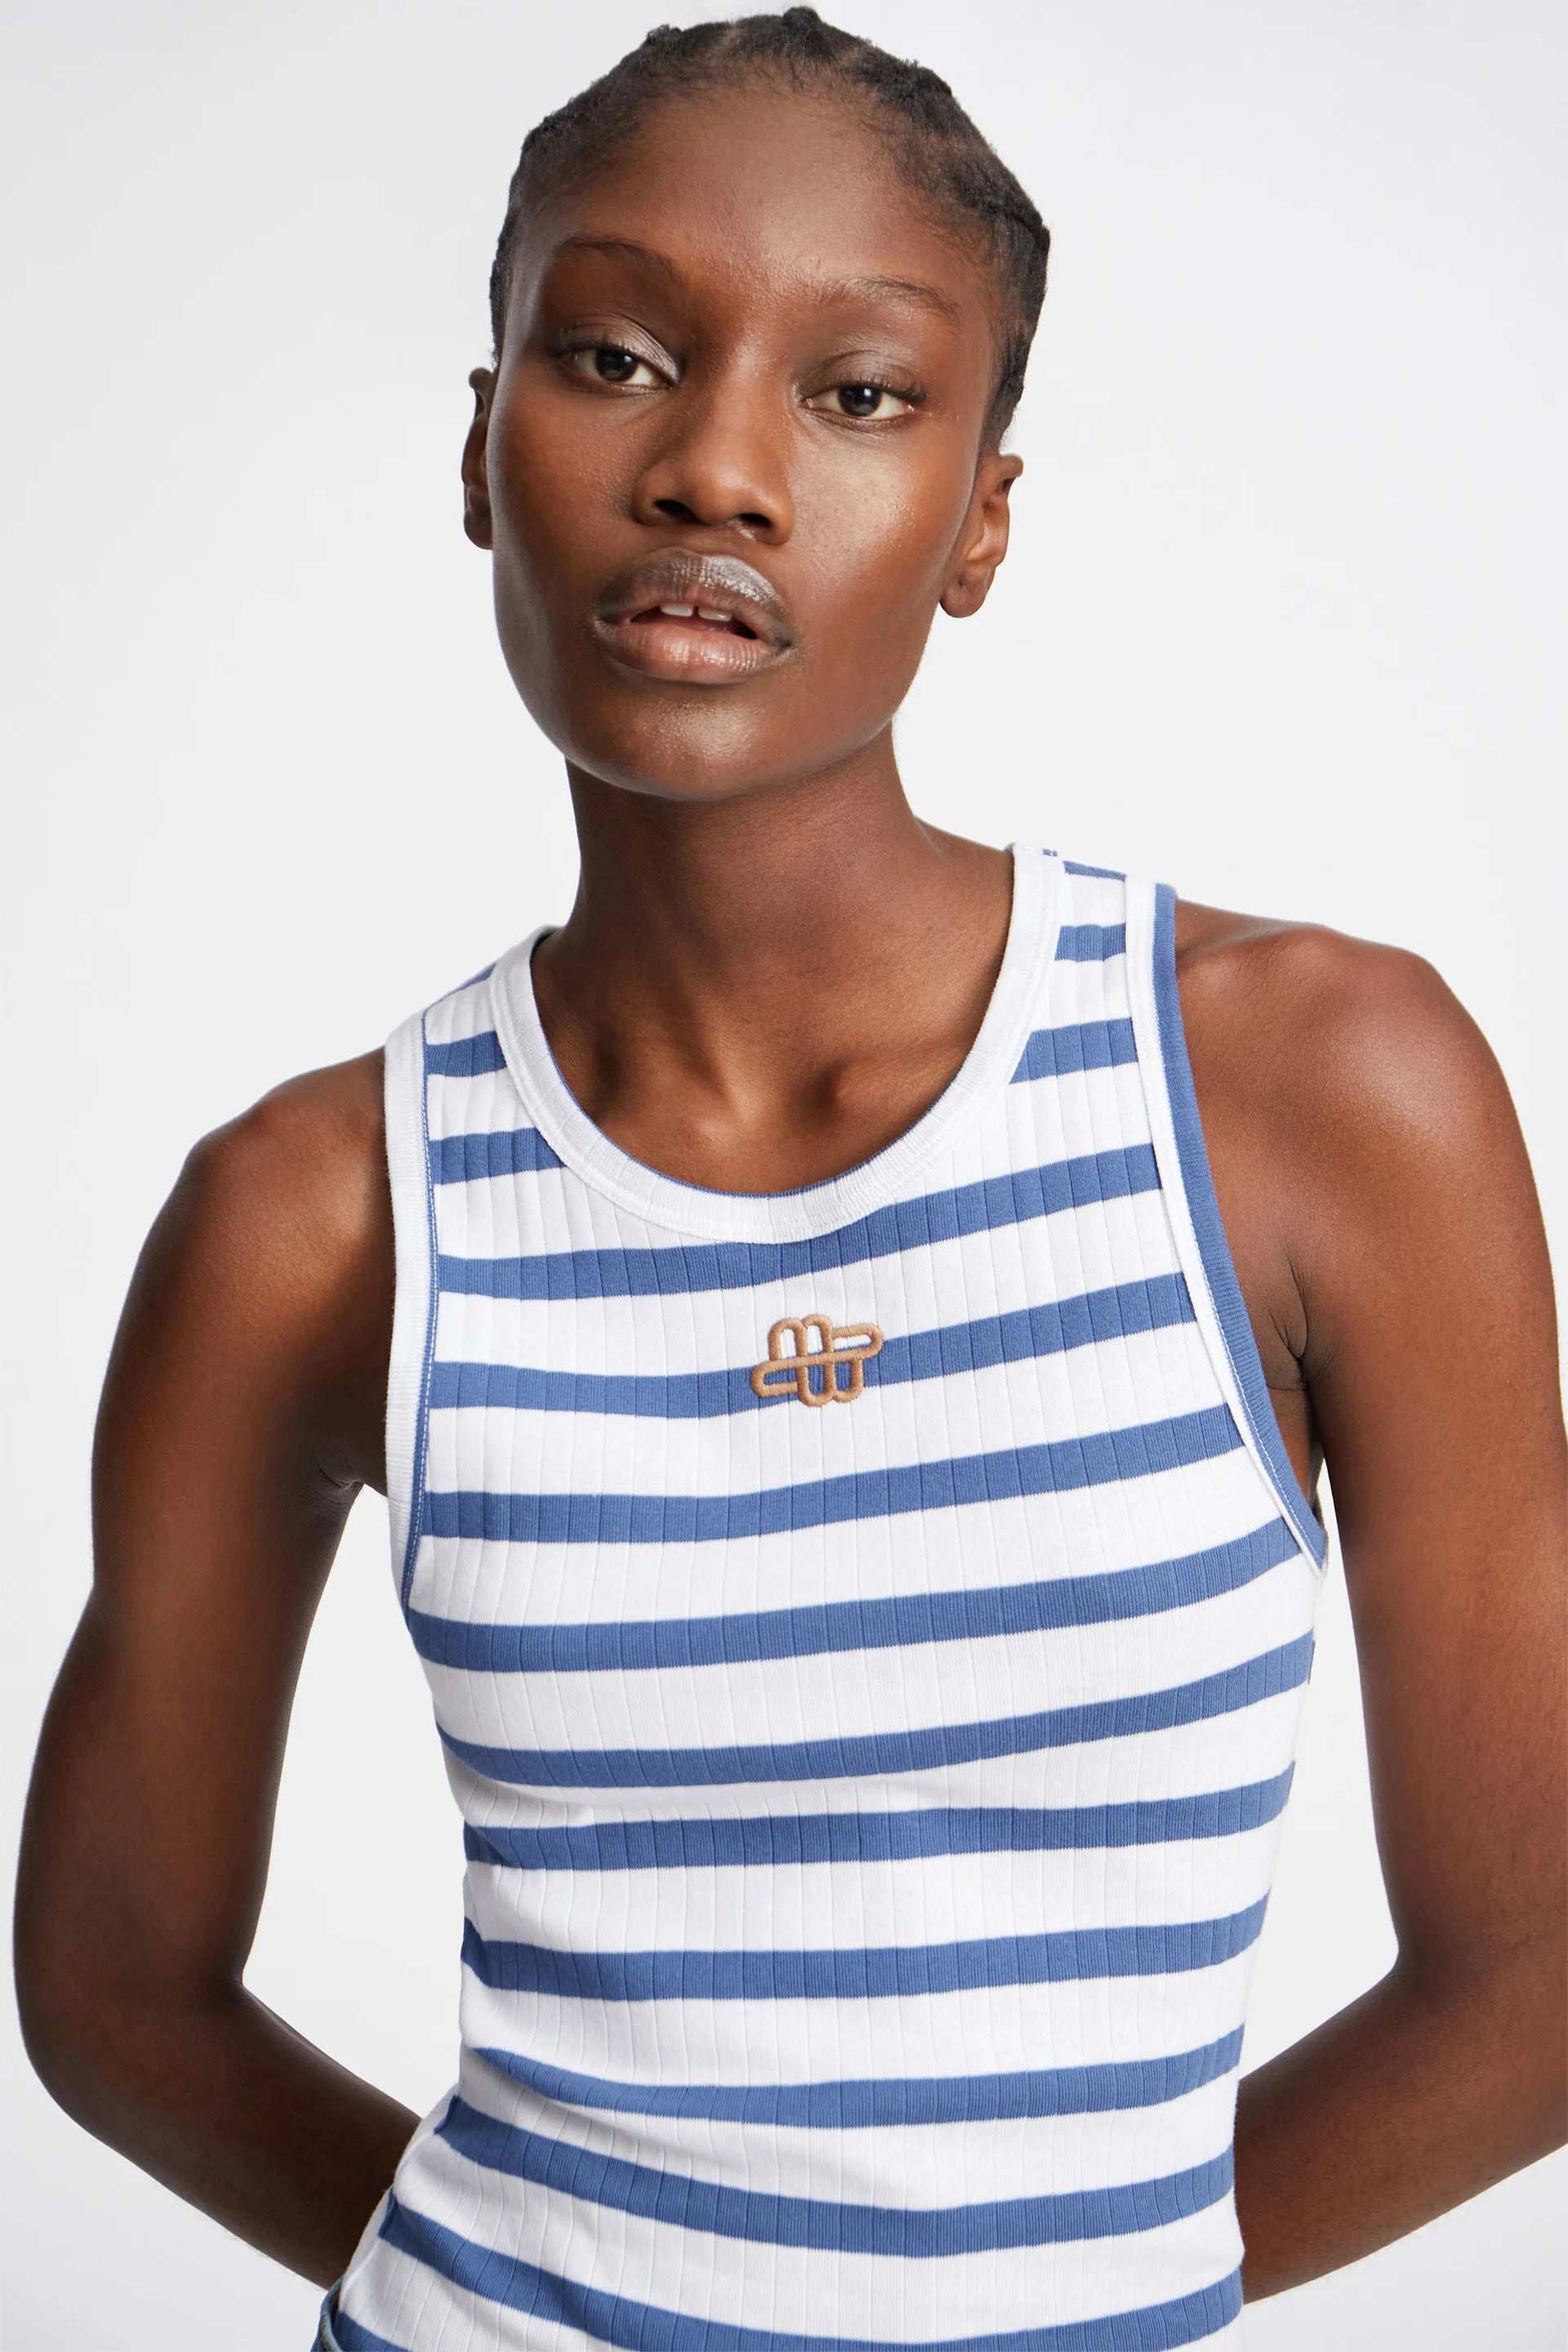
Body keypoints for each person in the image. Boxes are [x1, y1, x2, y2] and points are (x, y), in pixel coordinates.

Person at [15, 11, 1566, 2350]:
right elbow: (114, 1992)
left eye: (858, 392)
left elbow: (1541, 1971)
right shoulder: (316, 1216)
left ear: (983, 519)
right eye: (615, 356)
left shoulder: (1314, 1093)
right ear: (482, 448)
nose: (716, 472)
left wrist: (1071, 2288)